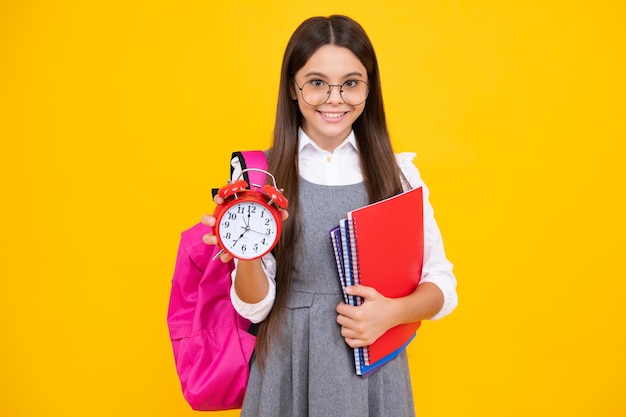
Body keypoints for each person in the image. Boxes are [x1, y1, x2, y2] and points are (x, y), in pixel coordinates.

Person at [201, 15, 457, 417]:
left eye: (351, 83)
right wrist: (243, 252)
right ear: (293, 87)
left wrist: (391, 313)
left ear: (369, 90)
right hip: (286, 369)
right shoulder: (256, 176)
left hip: (374, 374)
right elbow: (255, 307)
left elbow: (441, 283)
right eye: (317, 82)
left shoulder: (399, 173)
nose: (335, 98)